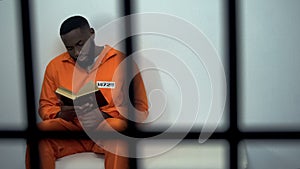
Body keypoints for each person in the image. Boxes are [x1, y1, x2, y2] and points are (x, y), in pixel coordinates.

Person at [26, 15, 149, 169]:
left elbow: (141, 109)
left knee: (117, 130)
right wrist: (60, 114)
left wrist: (106, 115)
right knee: (38, 133)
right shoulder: (54, 66)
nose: (77, 53)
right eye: (69, 48)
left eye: (80, 44)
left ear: (92, 33)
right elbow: (45, 106)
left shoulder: (123, 62)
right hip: (71, 130)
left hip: (106, 130)